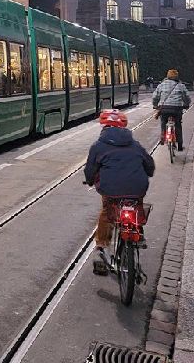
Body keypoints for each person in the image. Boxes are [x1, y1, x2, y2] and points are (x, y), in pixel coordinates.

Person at [84, 109, 155, 275]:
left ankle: (101, 246)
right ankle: (138, 232)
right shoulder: (135, 145)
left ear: (104, 127)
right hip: (137, 188)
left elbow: (90, 171)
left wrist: (90, 181)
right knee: (136, 204)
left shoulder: (98, 146)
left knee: (107, 212)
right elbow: (150, 167)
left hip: (110, 190)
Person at [152, 69, 191, 151]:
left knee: (163, 121)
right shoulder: (181, 85)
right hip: (177, 109)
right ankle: (180, 146)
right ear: (177, 76)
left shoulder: (161, 85)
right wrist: (186, 104)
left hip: (164, 108)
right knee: (178, 125)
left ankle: (163, 137)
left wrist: (155, 105)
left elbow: (155, 97)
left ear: (167, 76)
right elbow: (187, 97)